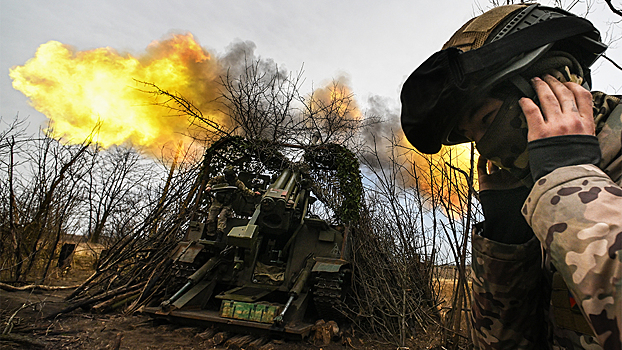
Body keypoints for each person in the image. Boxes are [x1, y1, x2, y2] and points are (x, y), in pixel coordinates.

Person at [400, 4, 621, 349]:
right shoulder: (543, 201)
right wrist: (506, 245)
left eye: (487, 120)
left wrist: (568, 179)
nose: (486, 150)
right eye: (473, 137)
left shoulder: (563, 190)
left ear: (555, 82)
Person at [205, 166, 260, 240]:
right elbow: (211, 181)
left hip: (228, 203)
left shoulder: (237, 183)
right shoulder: (220, 179)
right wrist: (208, 187)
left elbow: (245, 190)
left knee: (222, 218)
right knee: (210, 219)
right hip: (217, 201)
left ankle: (219, 235)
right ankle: (210, 235)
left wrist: (254, 194)